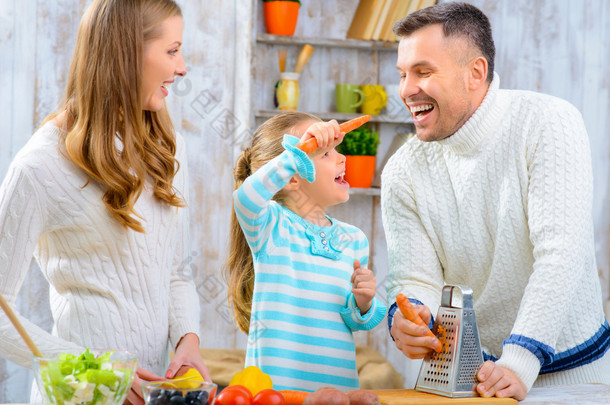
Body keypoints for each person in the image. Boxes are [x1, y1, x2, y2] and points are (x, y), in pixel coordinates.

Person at [381, 2, 610, 400]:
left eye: (423, 71)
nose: (405, 90)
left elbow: (561, 254)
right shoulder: (402, 170)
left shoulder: (548, 122)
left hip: (580, 383)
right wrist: (410, 316)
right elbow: (414, 278)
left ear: (476, 73)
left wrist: (519, 361)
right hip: (480, 385)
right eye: (402, 74)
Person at [0, 0, 210, 403]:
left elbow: (173, 272)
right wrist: (96, 371)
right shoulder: (40, 165)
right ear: (127, 52)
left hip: (149, 395)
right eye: (171, 51)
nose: (181, 67)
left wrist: (188, 338)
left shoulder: (167, 148)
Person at [226, 112, 387, 391]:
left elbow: (353, 319)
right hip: (279, 393)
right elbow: (245, 198)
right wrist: (295, 155)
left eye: (336, 150)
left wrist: (363, 302)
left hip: (337, 392)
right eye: (324, 153)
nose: (341, 158)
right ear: (290, 178)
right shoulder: (271, 227)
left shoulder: (354, 240)